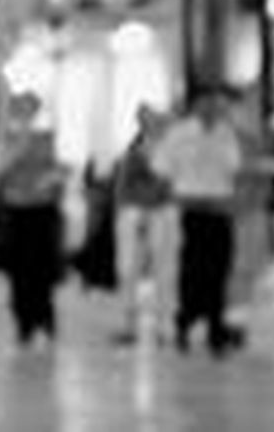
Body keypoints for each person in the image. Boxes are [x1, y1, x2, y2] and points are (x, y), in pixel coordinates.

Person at [151, 84, 243, 355]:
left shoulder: (226, 134)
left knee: (219, 269)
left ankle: (216, 328)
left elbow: (234, 167)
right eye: (206, 103)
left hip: (218, 209)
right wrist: (173, 194)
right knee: (190, 270)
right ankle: (184, 323)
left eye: (215, 104)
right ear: (195, 105)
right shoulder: (179, 134)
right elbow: (161, 168)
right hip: (189, 209)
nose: (211, 108)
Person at [0, 91, 66, 349]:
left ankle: (44, 317)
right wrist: (19, 147)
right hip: (17, 209)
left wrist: (53, 179)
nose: (27, 114)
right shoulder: (8, 137)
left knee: (43, 267)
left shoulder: (46, 137)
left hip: (42, 208)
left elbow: (56, 169)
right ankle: (24, 320)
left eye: (31, 109)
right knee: (20, 268)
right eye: (22, 109)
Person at [110, 104, 177, 344]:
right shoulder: (133, 153)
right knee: (128, 269)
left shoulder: (171, 153)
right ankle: (127, 324)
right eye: (148, 122)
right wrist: (135, 211)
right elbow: (122, 190)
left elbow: (172, 186)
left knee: (164, 271)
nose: (154, 126)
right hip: (134, 215)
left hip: (162, 214)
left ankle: (164, 325)